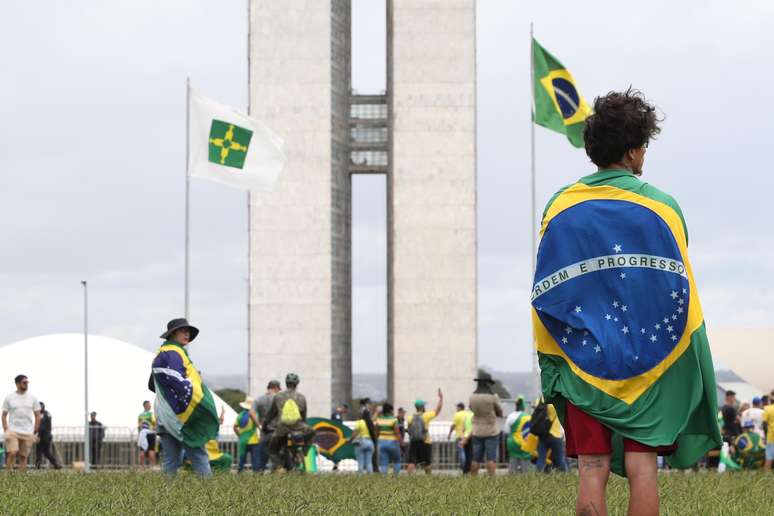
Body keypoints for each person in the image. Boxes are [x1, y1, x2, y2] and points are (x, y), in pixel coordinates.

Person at [531, 89, 721, 515]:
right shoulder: (662, 206)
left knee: (591, 466)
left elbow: (549, 285)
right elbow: (675, 289)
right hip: (651, 363)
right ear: (635, 152)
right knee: (643, 466)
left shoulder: (559, 206)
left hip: (583, 360)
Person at [150, 318, 219, 477]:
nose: (187, 334)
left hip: (165, 416)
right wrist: (200, 401)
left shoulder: (162, 354)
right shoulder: (173, 353)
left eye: (188, 331)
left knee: (171, 462)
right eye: (183, 330)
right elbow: (179, 383)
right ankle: (211, 496)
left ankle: (167, 497)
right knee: (199, 458)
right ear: (173, 333)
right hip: (182, 417)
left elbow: (154, 385)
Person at [266, 373, 315, 472]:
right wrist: (303, 426)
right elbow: (303, 415)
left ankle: (279, 467)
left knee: (272, 449)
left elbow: (271, 414)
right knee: (312, 432)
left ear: (286, 383)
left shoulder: (278, 396)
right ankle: (302, 453)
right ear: (297, 384)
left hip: (282, 429)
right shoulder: (301, 397)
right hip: (298, 428)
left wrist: (265, 425)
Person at [2, 375, 41, 472]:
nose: (26, 385)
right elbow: (3, 415)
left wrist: (35, 430)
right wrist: (6, 428)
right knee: (13, 452)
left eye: (27, 383)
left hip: (27, 431)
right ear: (17, 384)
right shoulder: (9, 398)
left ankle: (21, 477)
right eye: (24, 383)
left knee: (23, 456)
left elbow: (37, 415)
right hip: (13, 431)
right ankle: (8, 475)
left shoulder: (33, 398)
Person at [469, 374, 503, 476]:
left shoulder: (472, 397)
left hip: (476, 431)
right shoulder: (493, 397)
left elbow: (471, 408)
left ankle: (473, 480)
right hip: (491, 431)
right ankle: (491, 480)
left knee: (475, 458)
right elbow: (500, 412)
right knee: (491, 458)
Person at [406, 389, 443, 474]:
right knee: (427, 462)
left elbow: (408, 430)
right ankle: (428, 478)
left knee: (412, 461)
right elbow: (438, 410)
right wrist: (441, 398)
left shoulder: (410, 418)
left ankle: (408, 478)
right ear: (423, 407)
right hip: (425, 441)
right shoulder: (426, 416)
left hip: (414, 441)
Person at [250, 379, 281, 472]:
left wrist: (259, 426)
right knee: (277, 464)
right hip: (276, 435)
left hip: (264, 435)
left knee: (260, 465)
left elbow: (251, 413)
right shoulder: (279, 400)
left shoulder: (258, 399)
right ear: (275, 388)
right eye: (279, 389)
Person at [534, 402, 568, 473]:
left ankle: (537, 475)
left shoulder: (540, 400)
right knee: (560, 459)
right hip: (556, 434)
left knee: (541, 458)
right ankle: (565, 476)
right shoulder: (556, 401)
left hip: (543, 434)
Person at [503, 397, 531, 474]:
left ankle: (511, 481)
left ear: (516, 405)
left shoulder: (510, 416)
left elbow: (506, 431)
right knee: (526, 468)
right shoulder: (528, 416)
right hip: (525, 444)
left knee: (513, 465)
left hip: (513, 443)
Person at [235, 396, 260, 473]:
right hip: (254, 440)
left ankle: (239, 475)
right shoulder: (256, 414)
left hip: (243, 441)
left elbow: (235, 427)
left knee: (242, 460)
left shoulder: (240, 415)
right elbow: (258, 424)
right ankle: (256, 477)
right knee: (255, 461)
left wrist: (239, 435)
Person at [376, 403, 402, 474]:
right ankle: (395, 477)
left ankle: (384, 479)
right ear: (390, 411)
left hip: (382, 443)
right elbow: (397, 432)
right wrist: (401, 442)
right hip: (392, 442)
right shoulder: (394, 420)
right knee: (397, 461)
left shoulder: (379, 420)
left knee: (384, 463)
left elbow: (376, 432)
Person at [35, 402, 61, 470]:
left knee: (39, 450)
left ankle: (38, 465)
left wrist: (36, 433)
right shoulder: (48, 413)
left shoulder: (41, 415)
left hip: (43, 435)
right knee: (46, 452)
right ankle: (56, 464)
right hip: (48, 435)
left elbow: (41, 427)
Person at [448, 402, 468, 474]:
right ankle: (468, 468)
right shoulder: (467, 414)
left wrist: (449, 434)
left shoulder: (457, 414)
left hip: (459, 436)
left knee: (461, 453)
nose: (456, 408)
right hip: (467, 437)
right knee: (467, 453)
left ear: (459, 407)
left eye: (457, 407)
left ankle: (464, 469)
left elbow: (453, 425)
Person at [137, 400, 157, 468]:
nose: (150, 405)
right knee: (151, 450)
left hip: (142, 433)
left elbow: (139, 426)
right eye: (149, 404)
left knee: (142, 450)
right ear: (147, 405)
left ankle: (141, 466)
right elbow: (154, 423)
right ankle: (152, 466)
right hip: (150, 432)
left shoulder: (140, 415)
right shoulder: (151, 414)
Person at [763, 398, 774, 471]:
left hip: (771, 437)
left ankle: (765, 480)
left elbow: (764, 423)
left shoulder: (767, 409)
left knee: (769, 460)